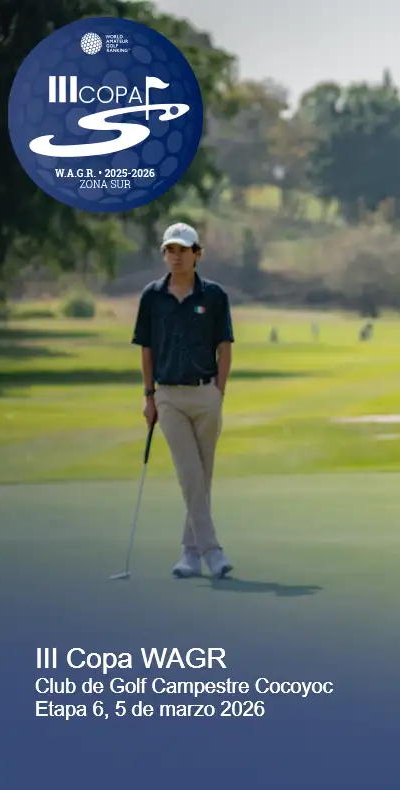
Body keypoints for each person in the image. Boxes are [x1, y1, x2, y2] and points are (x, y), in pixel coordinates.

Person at [132, 222, 236, 579]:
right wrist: (149, 396)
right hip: (168, 397)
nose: (175, 256)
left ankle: (190, 554)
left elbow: (225, 346)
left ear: (197, 254)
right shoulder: (151, 296)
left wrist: (218, 393)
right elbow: (146, 349)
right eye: (169, 250)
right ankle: (213, 551)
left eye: (182, 250)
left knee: (202, 477)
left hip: (206, 394)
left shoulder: (214, 296)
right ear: (164, 254)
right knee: (190, 473)